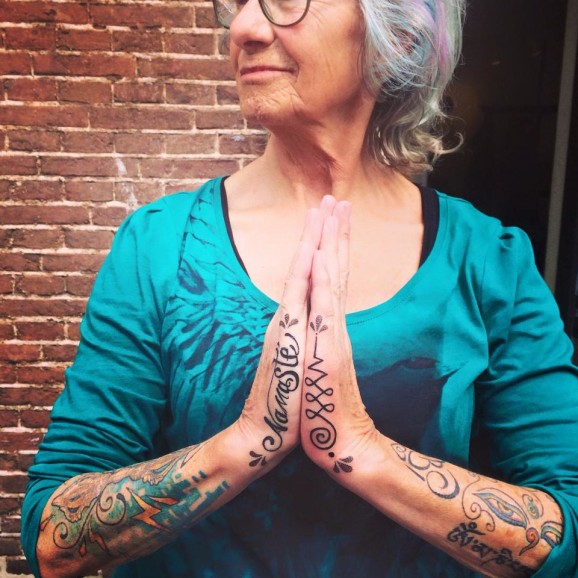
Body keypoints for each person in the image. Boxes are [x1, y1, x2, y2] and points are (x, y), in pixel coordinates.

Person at [21, 0, 578, 575]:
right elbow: (50, 538)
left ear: (401, 36)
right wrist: (246, 443)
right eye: (238, 4)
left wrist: (359, 450)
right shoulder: (160, 246)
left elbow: (569, 526)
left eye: (287, 2)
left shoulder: (486, 261)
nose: (243, 28)